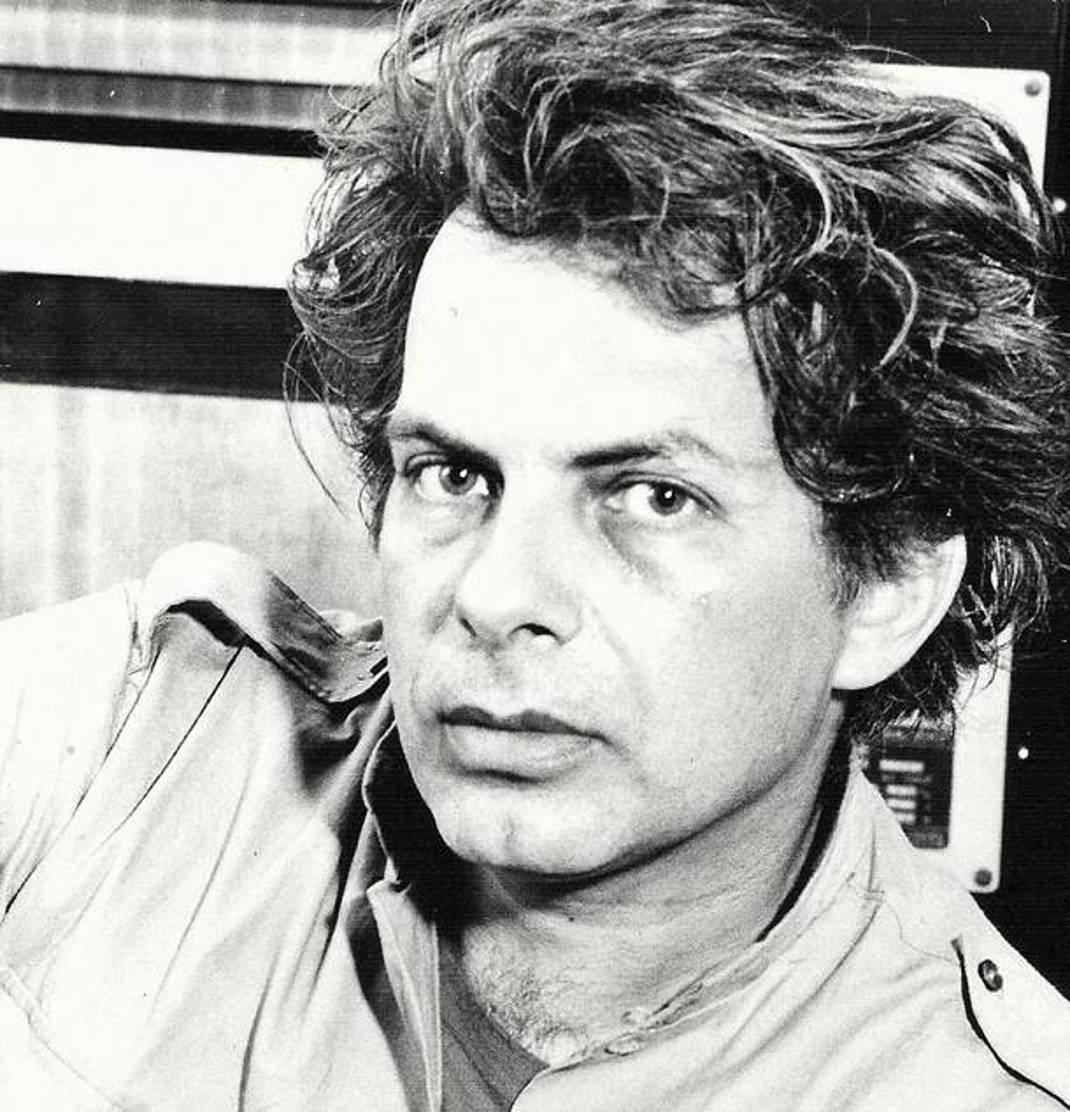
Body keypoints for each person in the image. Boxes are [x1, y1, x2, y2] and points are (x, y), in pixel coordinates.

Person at [2, 0, 1069, 1108]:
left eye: (652, 498)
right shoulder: (127, 743)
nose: (495, 594)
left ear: (888, 584)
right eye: (453, 475)